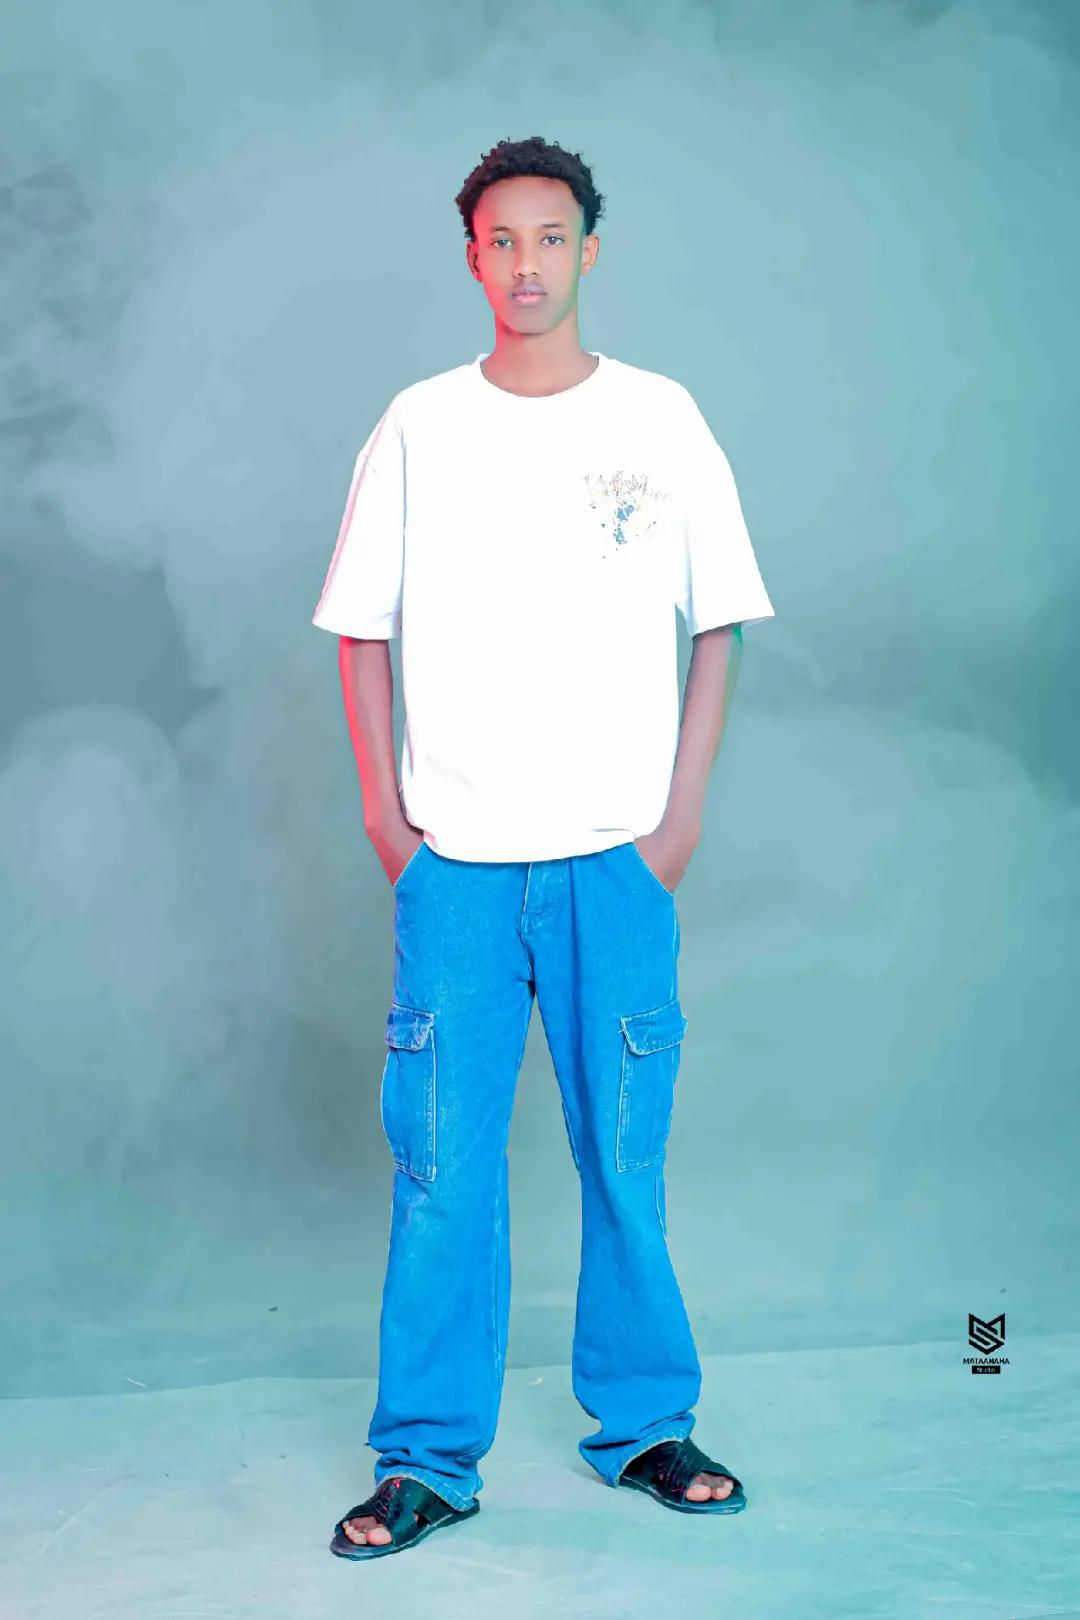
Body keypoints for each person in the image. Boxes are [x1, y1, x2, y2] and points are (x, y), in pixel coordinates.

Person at [312, 136, 775, 1561]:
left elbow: (720, 622)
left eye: (552, 237)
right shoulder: (419, 426)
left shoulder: (659, 419)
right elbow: (360, 629)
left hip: (612, 864)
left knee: (624, 1160)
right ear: (473, 257)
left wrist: (677, 822)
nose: (527, 264)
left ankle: (645, 1425)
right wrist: (390, 824)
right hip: (455, 866)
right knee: (442, 1170)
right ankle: (425, 1458)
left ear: (590, 251)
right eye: (501, 240)